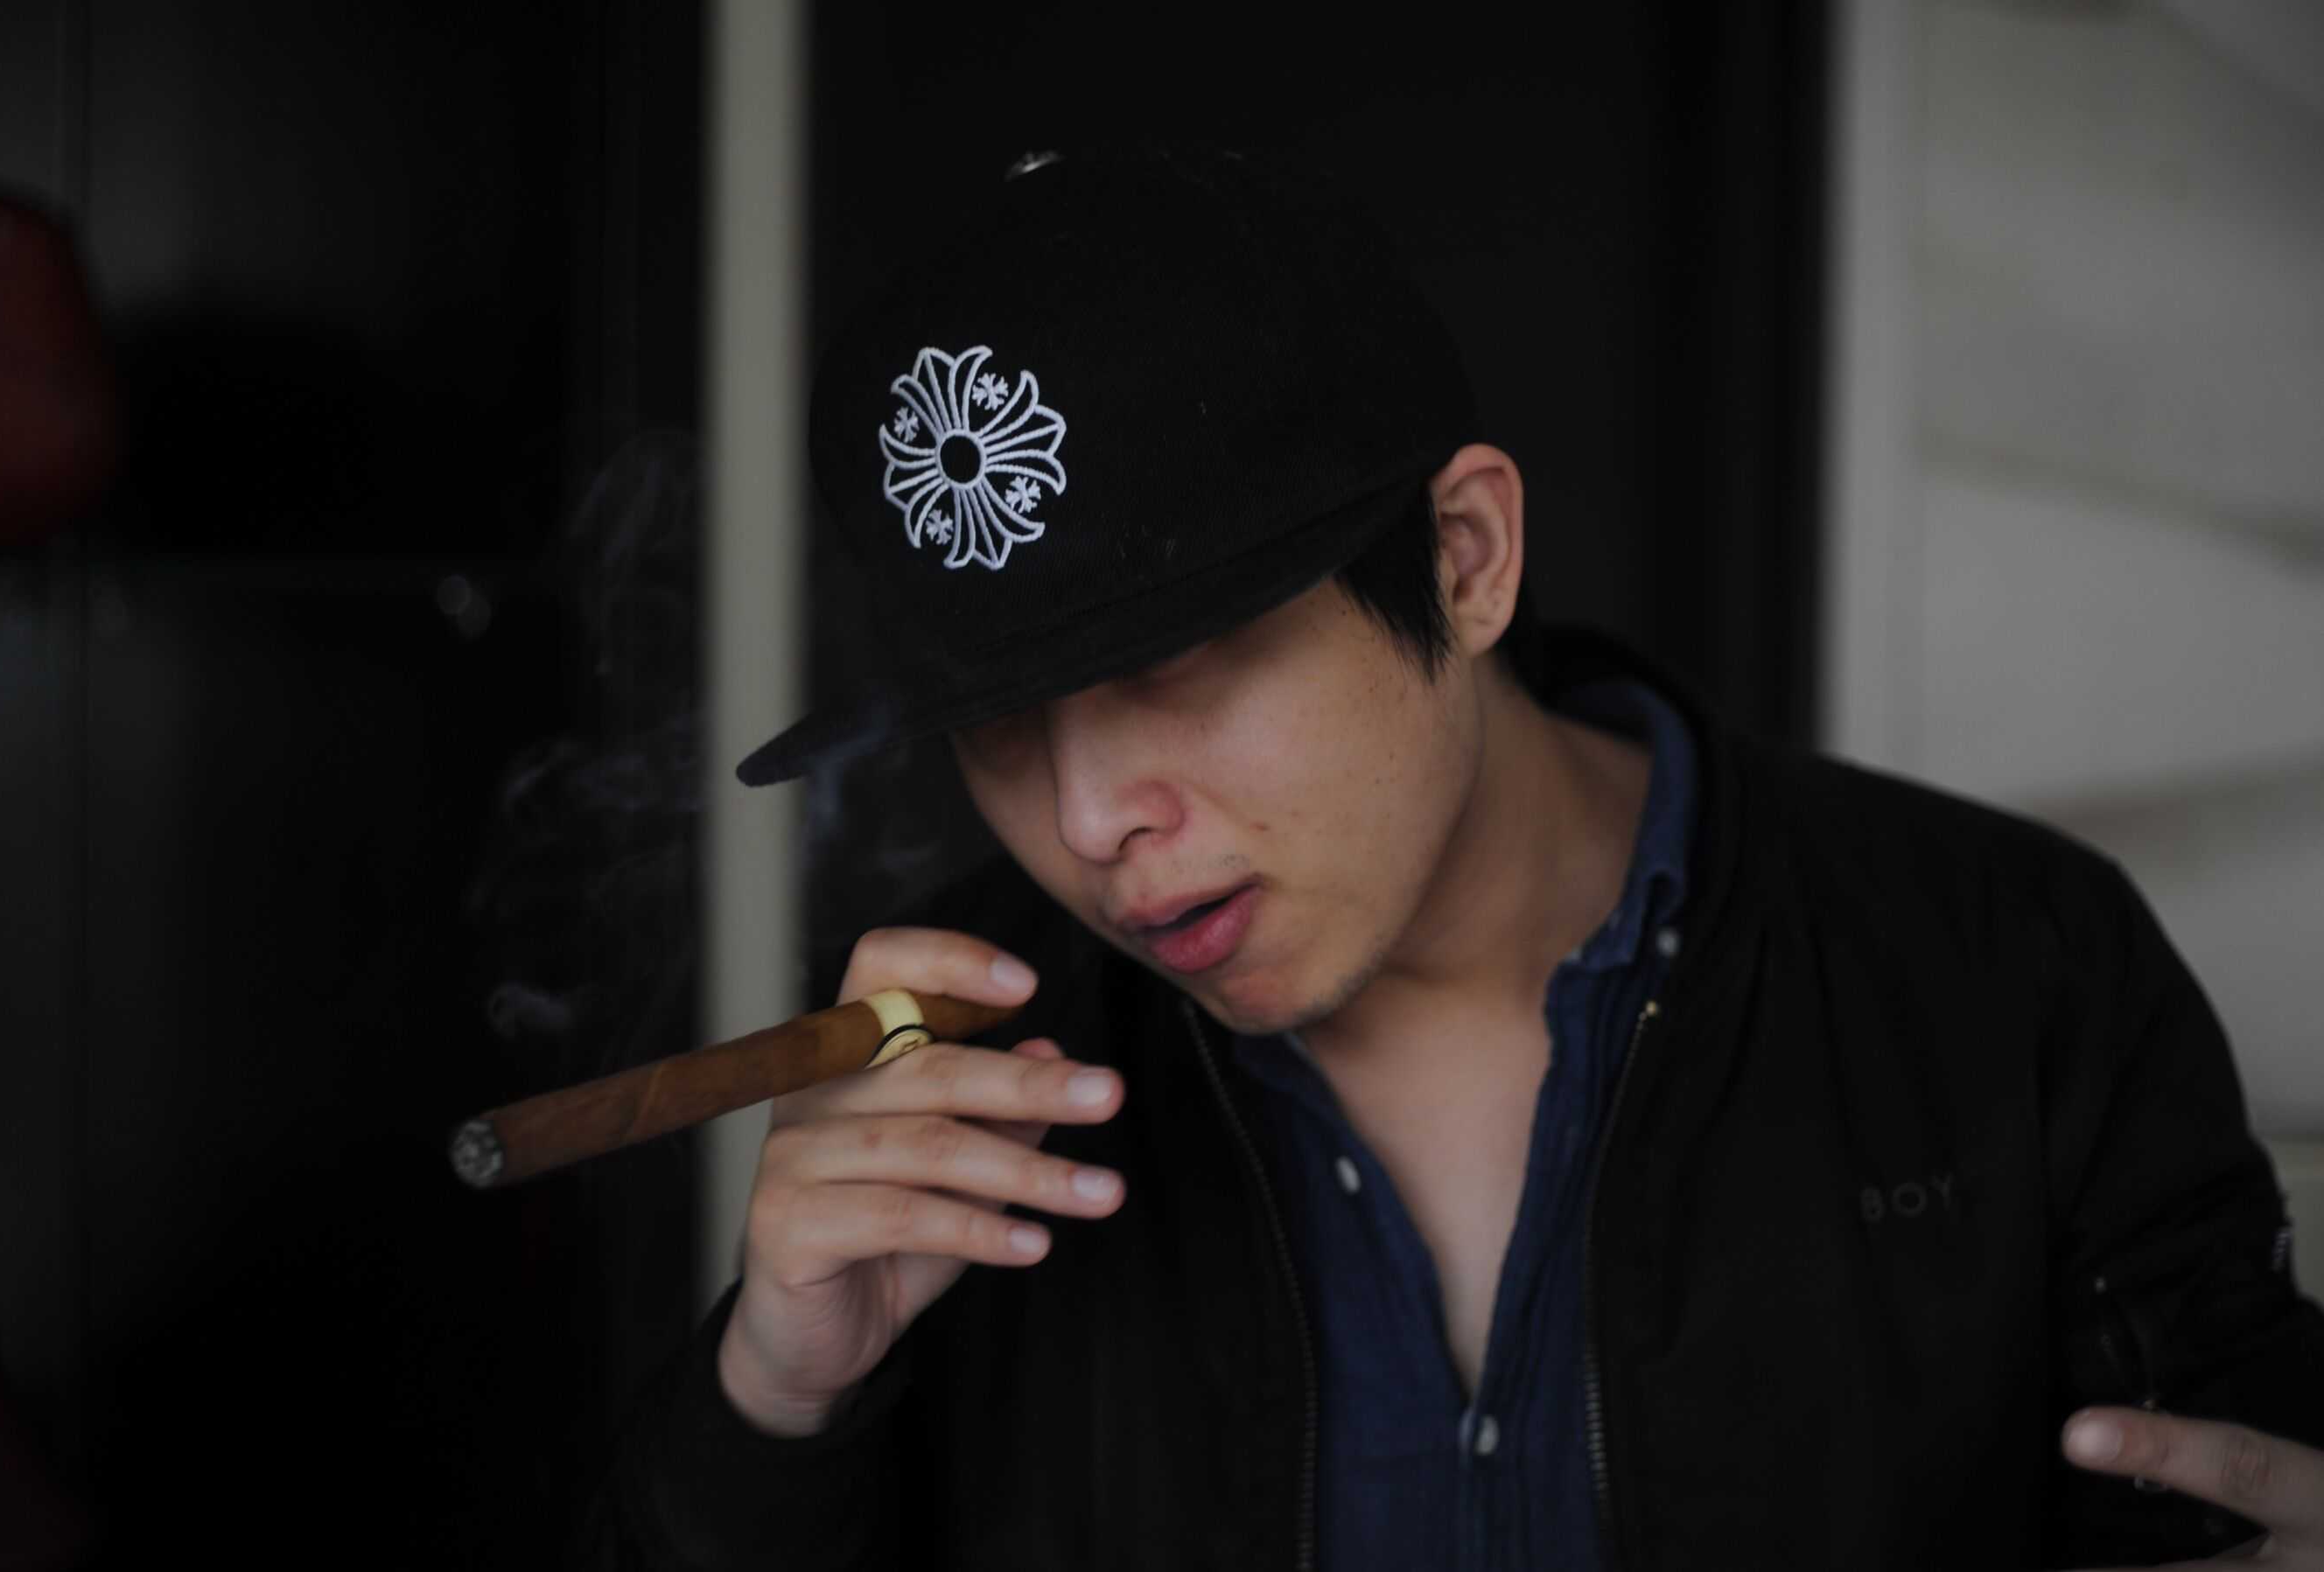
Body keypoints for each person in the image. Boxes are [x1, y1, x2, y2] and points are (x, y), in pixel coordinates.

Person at [588, 144, 2324, 1569]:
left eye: (1173, 664)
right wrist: (777, 1408)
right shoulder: (961, 1104)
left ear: (1468, 554)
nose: (1093, 816)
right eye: (995, 723)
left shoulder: (2008, 967)